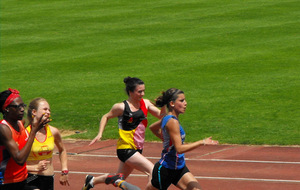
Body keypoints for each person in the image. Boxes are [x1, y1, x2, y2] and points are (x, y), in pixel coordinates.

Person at [82, 77, 165, 190]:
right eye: (139, 91)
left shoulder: (145, 103)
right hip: (125, 148)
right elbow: (106, 116)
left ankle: (92, 180)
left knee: (119, 178)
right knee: (153, 171)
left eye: (143, 91)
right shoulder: (121, 107)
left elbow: (161, 115)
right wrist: (100, 133)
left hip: (137, 148)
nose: (143, 94)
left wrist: (166, 105)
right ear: (130, 92)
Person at [146, 88, 219, 190]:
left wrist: (167, 141)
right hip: (165, 170)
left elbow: (153, 128)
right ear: (172, 103)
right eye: (181, 101)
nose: (185, 103)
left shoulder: (167, 118)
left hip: (179, 167)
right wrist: (201, 142)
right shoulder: (172, 121)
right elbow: (179, 149)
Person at [0, 88, 49, 190]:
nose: (22, 109)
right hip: (7, 183)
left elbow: (31, 121)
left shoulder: (20, 122)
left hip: (22, 179)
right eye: (18, 106)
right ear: (7, 109)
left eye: (23, 106)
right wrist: (33, 132)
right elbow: (20, 159)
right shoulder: (4, 129)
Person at [25, 97, 69, 190]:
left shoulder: (53, 131)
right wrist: (35, 167)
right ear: (34, 112)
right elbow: (15, 162)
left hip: (48, 178)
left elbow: (62, 150)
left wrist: (64, 171)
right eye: (45, 109)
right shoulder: (25, 133)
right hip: (31, 177)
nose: (48, 112)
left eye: (49, 110)